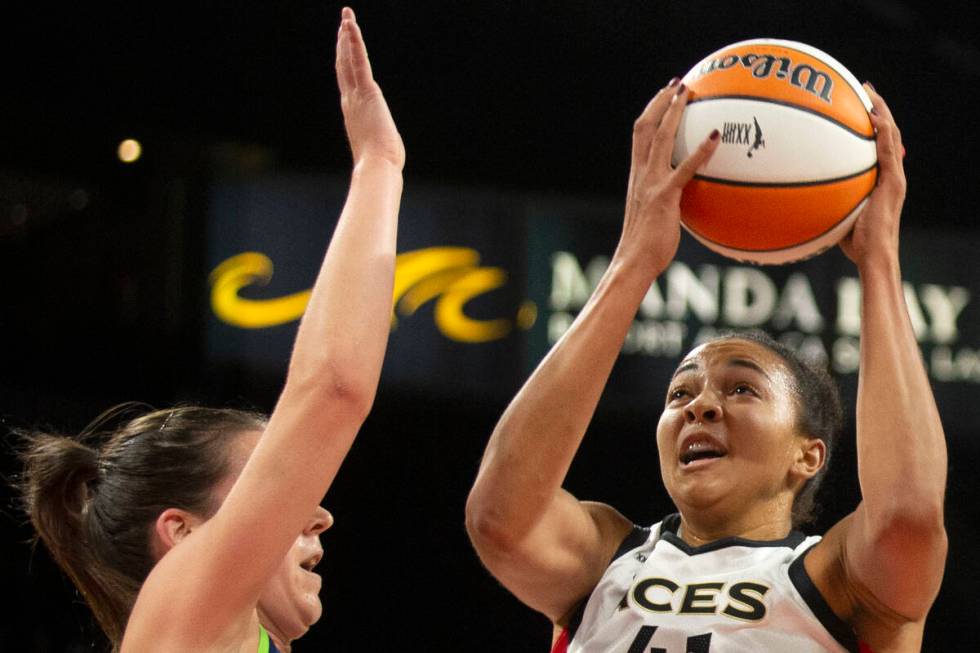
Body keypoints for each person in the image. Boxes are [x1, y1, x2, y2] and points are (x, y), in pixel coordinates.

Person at [466, 77, 947, 652]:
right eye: (678, 395)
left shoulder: (836, 579)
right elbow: (500, 516)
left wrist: (879, 260)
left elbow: (908, 516)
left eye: (743, 389)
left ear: (808, 454)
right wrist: (634, 260)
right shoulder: (605, 560)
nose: (699, 405)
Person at [19, 8, 404, 652]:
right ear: (184, 535)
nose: (317, 509)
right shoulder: (181, 613)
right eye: (269, 479)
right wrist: (378, 166)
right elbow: (332, 390)